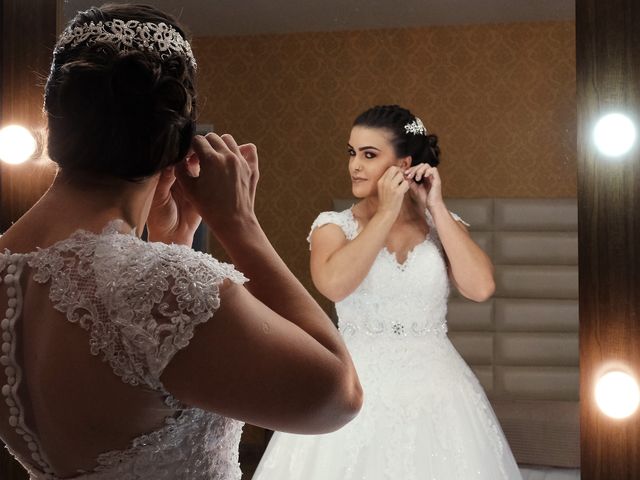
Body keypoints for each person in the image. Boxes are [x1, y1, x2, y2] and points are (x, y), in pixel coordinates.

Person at [0, 4, 362, 479]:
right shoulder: (163, 286)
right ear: (179, 141)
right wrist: (239, 224)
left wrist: (175, 240)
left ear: (53, 124)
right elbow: (338, 397)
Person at [253, 105, 522, 479]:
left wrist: (437, 207)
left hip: (436, 391)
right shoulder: (333, 227)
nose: (355, 166)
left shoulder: (440, 226)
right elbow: (333, 284)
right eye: (352, 153)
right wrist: (384, 214)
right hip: (353, 387)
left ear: (404, 162)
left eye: (369, 154)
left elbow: (480, 287)